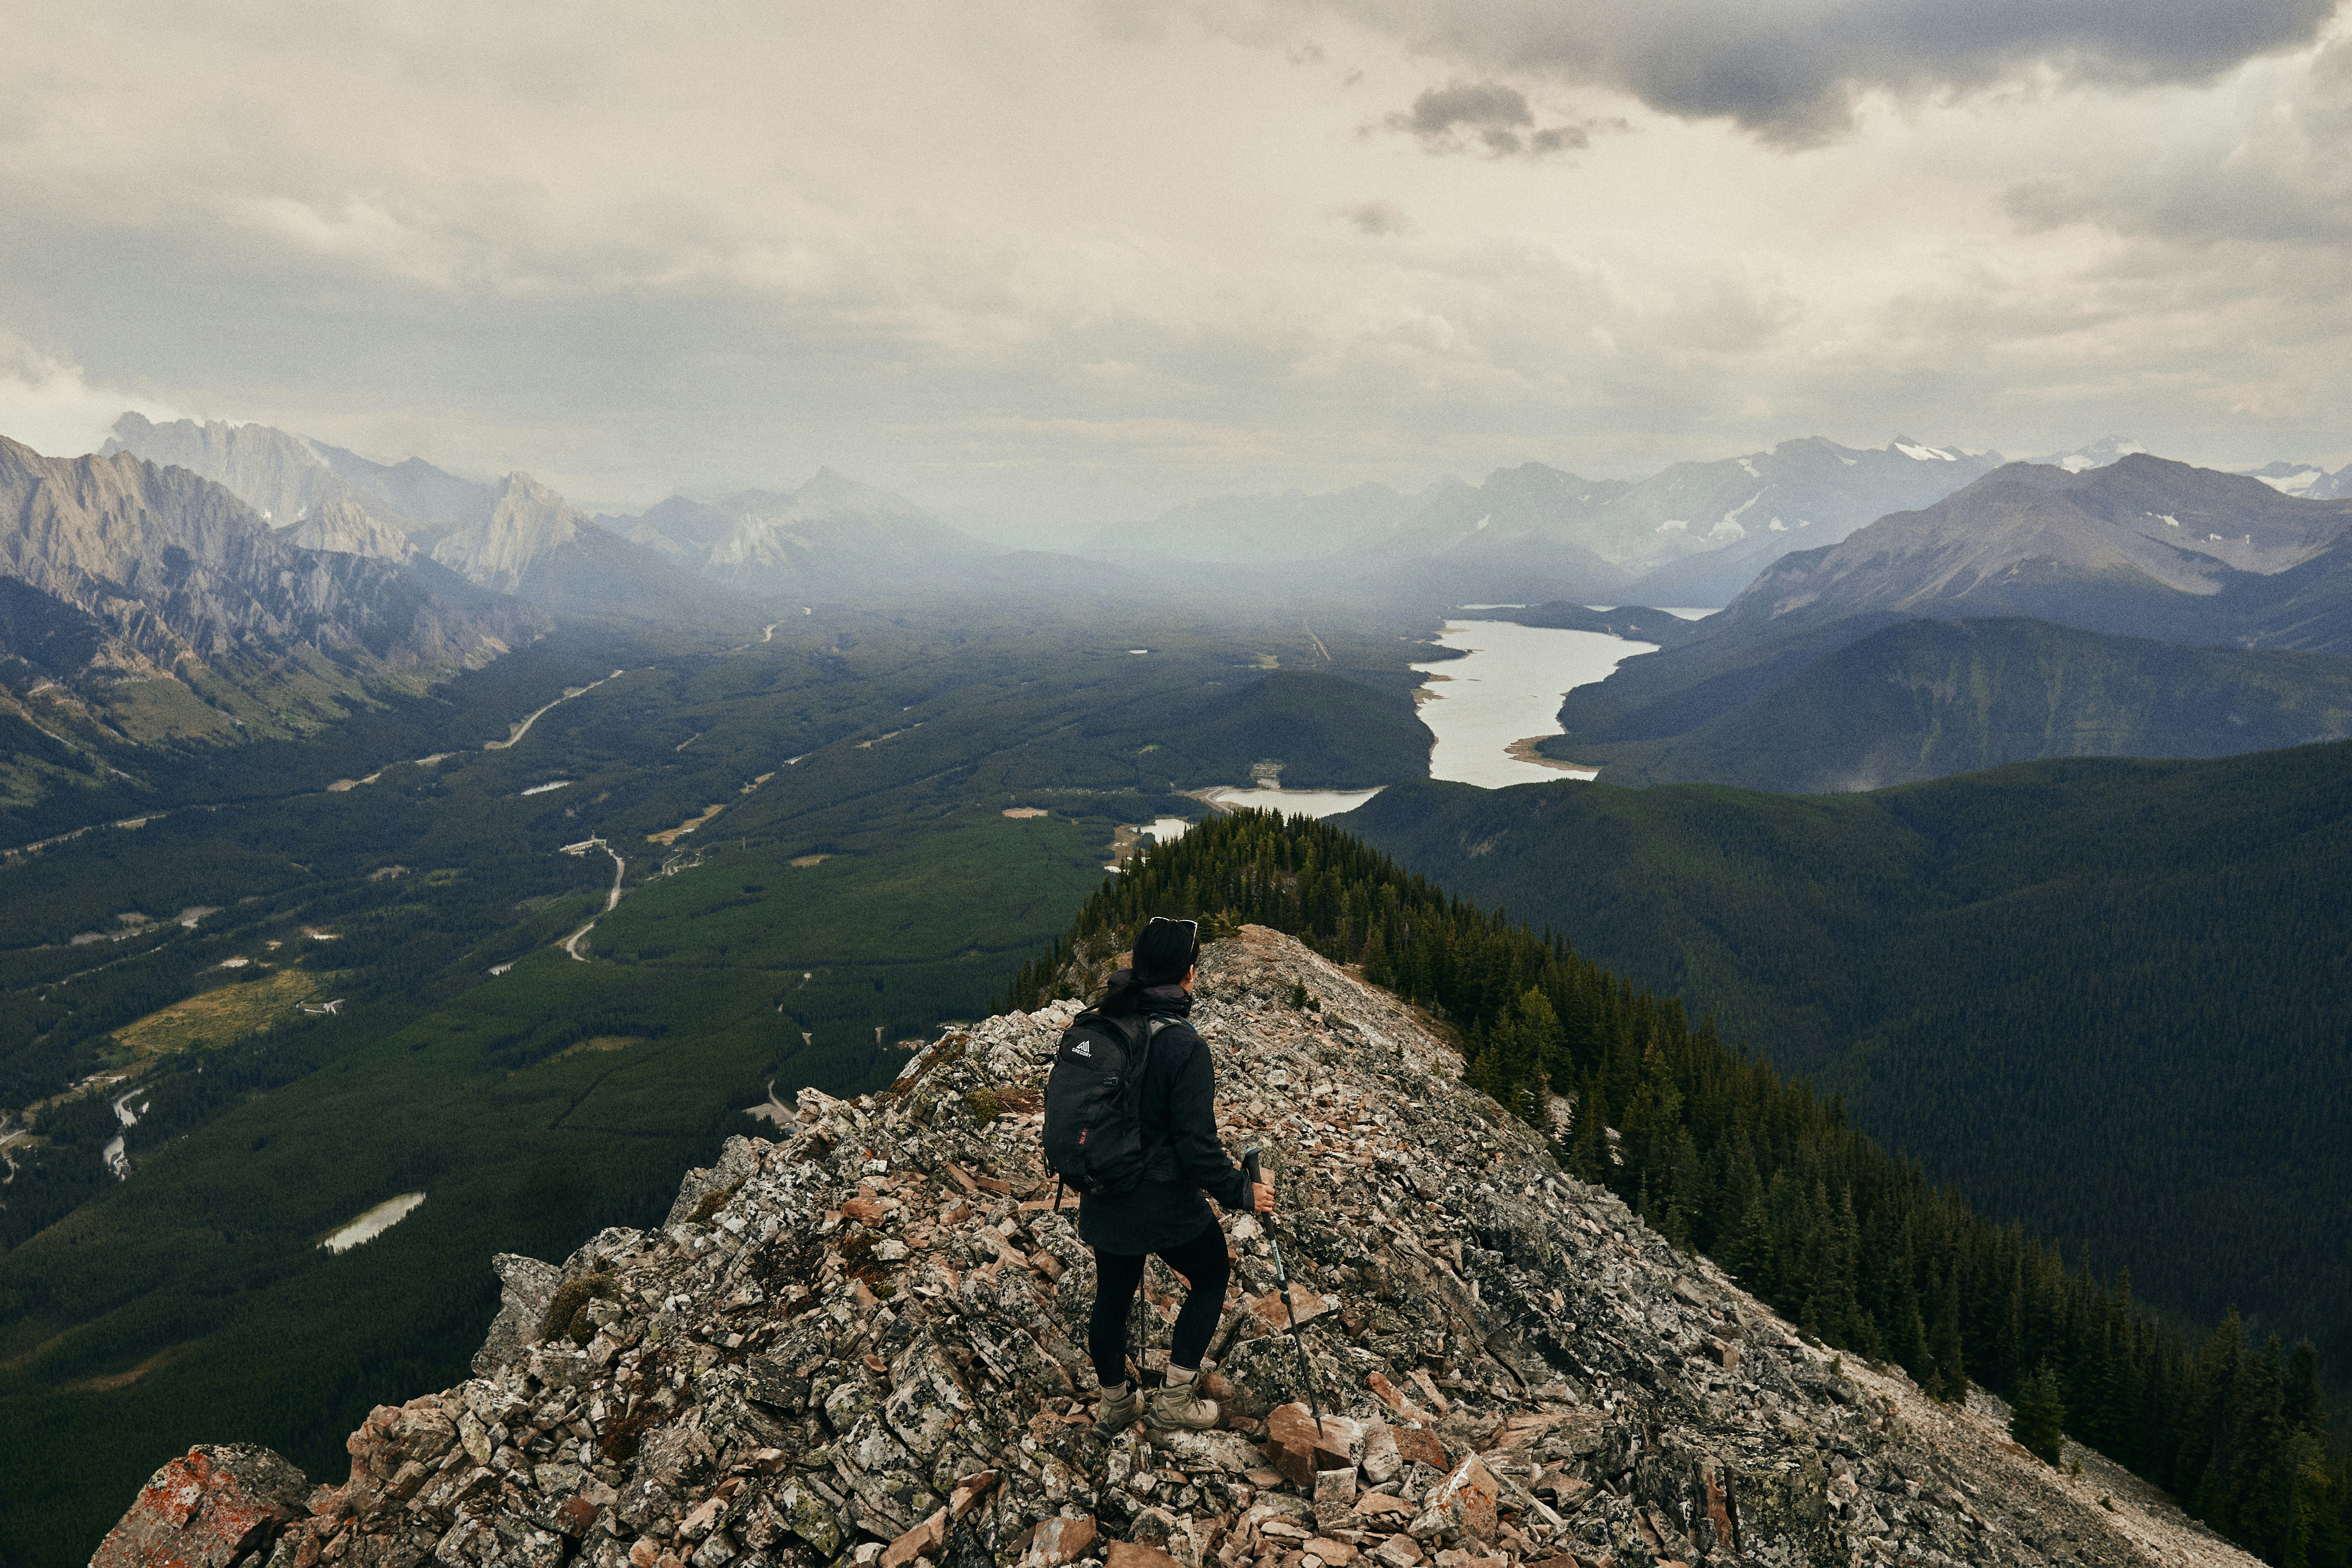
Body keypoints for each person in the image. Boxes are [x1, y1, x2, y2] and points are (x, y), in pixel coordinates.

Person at [1082, 916, 1276, 1435]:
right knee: (1211, 1273)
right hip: (1162, 1200)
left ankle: (1116, 1405)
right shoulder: (1185, 1045)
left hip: (1104, 1189)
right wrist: (1244, 1192)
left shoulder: (1108, 1024)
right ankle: (1173, 1401)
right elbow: (1197, 1149)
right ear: (1189, 973)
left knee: (1112, 1299)